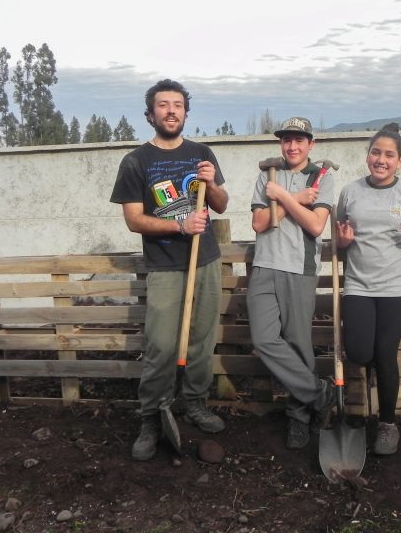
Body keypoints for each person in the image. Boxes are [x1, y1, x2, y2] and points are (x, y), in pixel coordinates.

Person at [110, 79, 230, 461]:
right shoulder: (136, 162)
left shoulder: (201, 154)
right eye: (163, 105)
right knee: (161, 346)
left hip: (205, 259)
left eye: (177, 105)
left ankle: (195, 402)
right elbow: (134, 220)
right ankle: (151, 416)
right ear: (151, 114)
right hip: (164, 266)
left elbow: (222, 204)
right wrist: (180, 226)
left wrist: (210, 183)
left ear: (186, 113)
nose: (171, 110)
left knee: (201, 340)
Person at [336, 123, 401, 455]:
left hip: (396, 287)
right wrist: (343, 241)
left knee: (385, 354)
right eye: (376, 152)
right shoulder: (350, 192)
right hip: (358, 285)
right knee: (359, 352)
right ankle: (362, 405)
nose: (381, 159)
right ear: (368, 156)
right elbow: (340, 234)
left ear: (399, 161)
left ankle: (387, 424)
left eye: (389, 155)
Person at [247, 117, 335, 450]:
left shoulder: (322, 176)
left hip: (299, 269)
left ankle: (299, 416)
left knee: (298, 343)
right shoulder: (267, 175)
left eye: (299, 140)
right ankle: (319, 394)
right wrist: (295, 197)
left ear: (311, 144)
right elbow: (259, 223)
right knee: (264, 339)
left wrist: (283, 197)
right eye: (287, 140)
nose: (292, 146)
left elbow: (315, 226)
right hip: (264, 265)